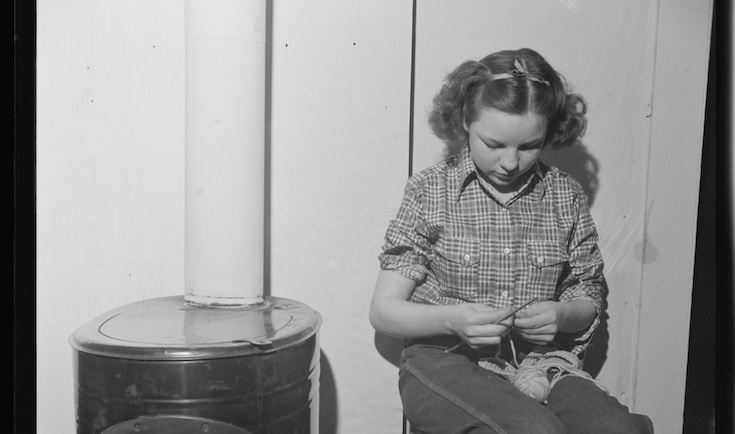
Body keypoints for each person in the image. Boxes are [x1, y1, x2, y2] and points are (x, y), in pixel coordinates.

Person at [369, 48, 653, 434]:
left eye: (529, 146)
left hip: (540, 363)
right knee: (536, 431)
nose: (509, 162)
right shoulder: (430, 190)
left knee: (620, 430)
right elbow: (384, 312)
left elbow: (586, 295)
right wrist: (454, 319)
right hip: (444, 358)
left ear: (549, 133)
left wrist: (561, 314)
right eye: (494, 144)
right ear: (466, 121)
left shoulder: (564, 195)